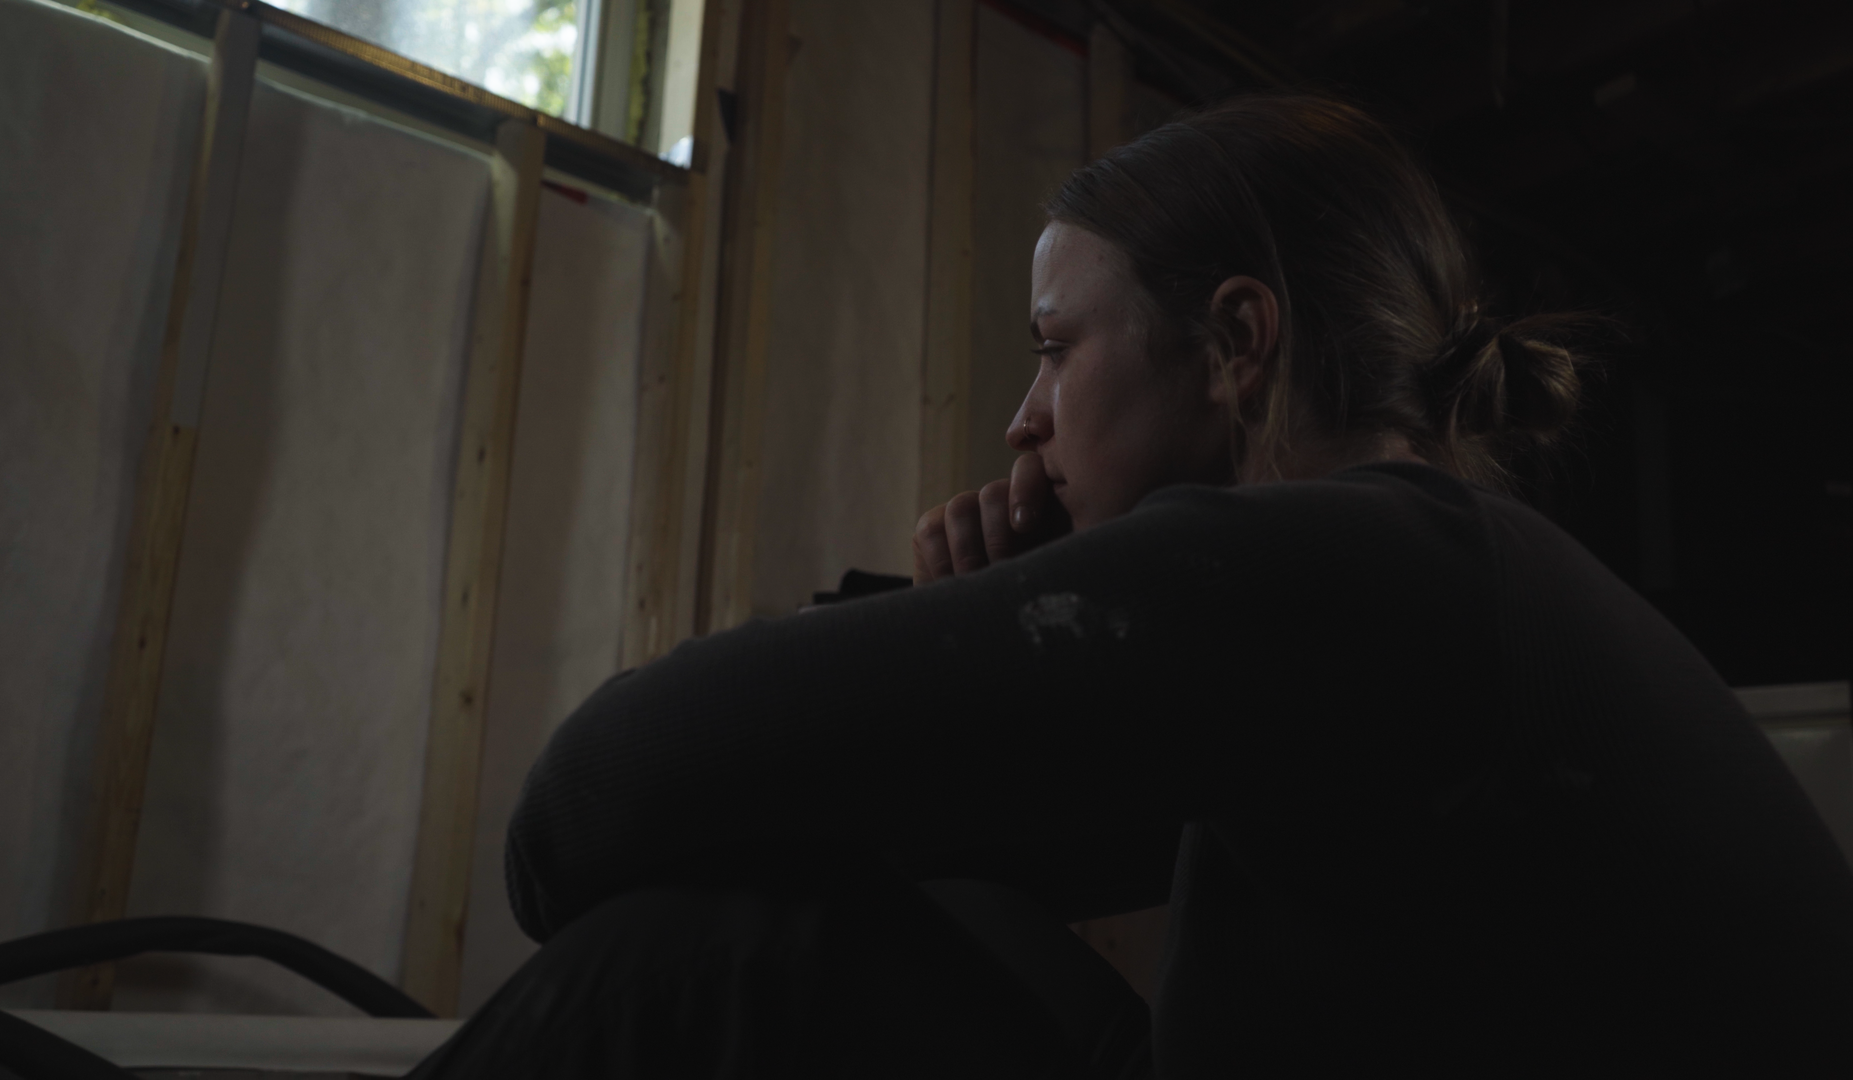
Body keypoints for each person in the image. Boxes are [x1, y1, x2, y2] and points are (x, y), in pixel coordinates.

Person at [410, 93, 1853, 1078]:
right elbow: (940, 862)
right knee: (890, 916)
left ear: (1236, 342)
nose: (1020, 419)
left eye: (1053, 346)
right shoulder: (1410, 603)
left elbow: (583, 809)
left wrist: (971, 633)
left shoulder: (1361, 562)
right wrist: (1004, 629)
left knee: (706, 961)